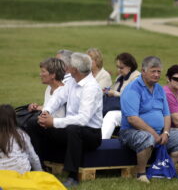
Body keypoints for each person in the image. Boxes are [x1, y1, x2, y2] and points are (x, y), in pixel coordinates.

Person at [26, 53, 103, 187]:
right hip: (71, 129)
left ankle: (73, 177)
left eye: (70, 65)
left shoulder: (91, 88)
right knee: (34, 123)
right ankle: (40, 168)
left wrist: (54, 122)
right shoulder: (73, 81)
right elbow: (58, 97)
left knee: (74, 129)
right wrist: (46, 112)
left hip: (91, 135)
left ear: (75, 70)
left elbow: (83, 119)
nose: (66, 66)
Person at [119, 56, 178, 183]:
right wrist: (154, 134)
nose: (156, 74)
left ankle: (162, 168)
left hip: (160, 132)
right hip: (132, 131)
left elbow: (166, 114)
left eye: (159, 71)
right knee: (147, 138)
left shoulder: (159, 89)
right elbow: (132, 119)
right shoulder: (132, 89)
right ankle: (141, 174)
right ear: (143, 71)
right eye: (153, 71)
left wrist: (166, 132)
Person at [102, 52, 140, 139]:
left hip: (129, 111)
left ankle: (102, 142)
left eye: (121, 67)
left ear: (129, 67)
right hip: (116, 106)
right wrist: (107, 90)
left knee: (111, 116)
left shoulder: (136, 79)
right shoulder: (120, 77)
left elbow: (132, 98)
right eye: (117, 67)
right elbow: (115, 90)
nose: (119, 70)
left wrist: (114, 93)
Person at [0, 104, 42, 174]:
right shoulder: (22, 134)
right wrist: (40, 172)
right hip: (22, 171)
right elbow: (33, 157)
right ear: (14, 118)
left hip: (3, 174)